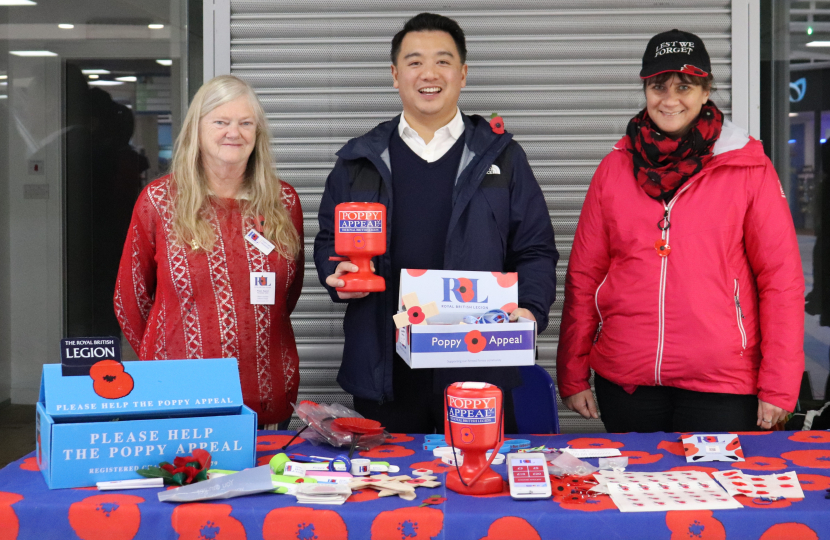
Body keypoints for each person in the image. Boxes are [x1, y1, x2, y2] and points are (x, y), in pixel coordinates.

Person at [313, 13, 558, 434]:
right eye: (414, 62)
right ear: (395, 75)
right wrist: (335, 272)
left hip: (479, 366)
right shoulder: (360, 160)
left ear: (462, 74)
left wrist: (532, 309)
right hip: (386, 374)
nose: (429, 74)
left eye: (443, 61)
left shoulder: (502, 157)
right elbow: (329, 241)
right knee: (387, 476)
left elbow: (535, 248)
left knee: (480, 472)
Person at [556, 29, 805, 433]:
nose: (669, 100)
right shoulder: (614, 168)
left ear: (705, 92)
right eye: (658, 86)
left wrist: (779, 384)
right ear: (645, 90)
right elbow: (585, 276)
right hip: (628, 380)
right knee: (633, 475)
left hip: (722, 384)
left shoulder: (748, 167)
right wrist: (572, 371)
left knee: (716, 478)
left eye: (684, 87)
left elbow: (780, 280)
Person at [114, 75, 304, 427]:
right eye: (220, 122)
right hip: (177, 396)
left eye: (246, 123)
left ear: (258, 133)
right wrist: (164, 359)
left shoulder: (284, 202)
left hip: (266, 396)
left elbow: (286, 296)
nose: (234, 133)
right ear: (197, 130)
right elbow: (130, 299)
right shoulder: (159, 201)